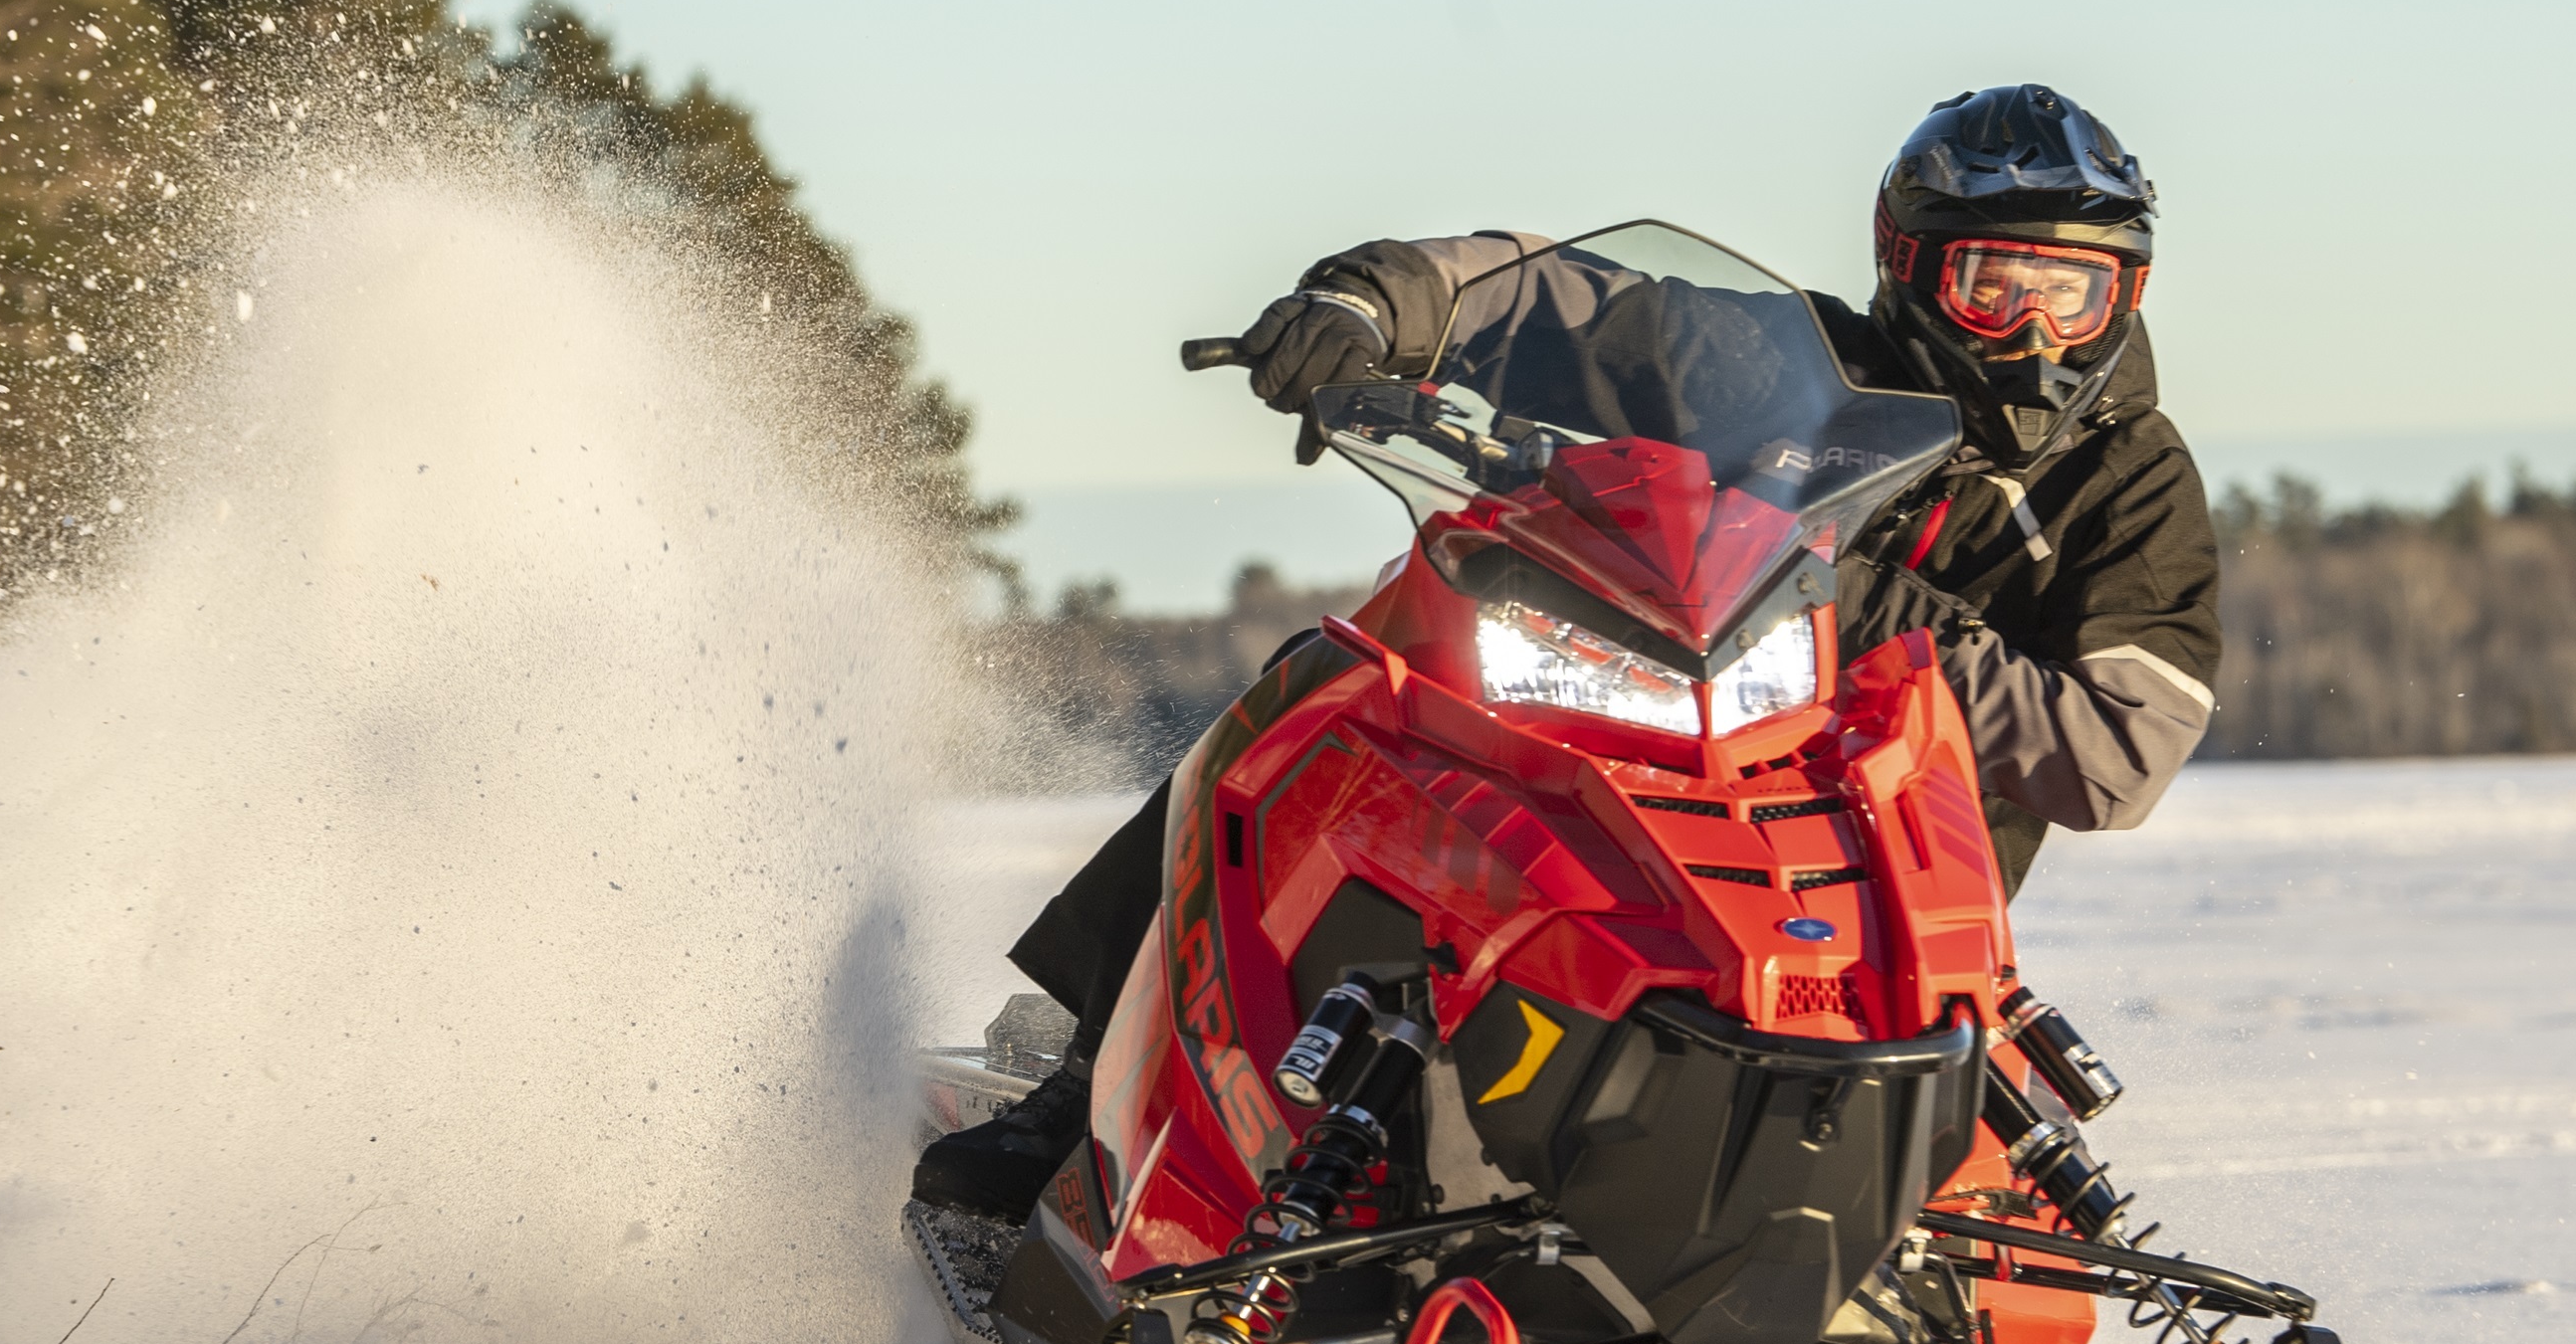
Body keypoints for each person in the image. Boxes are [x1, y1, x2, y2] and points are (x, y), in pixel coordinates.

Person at [914, 83, 2223, 1225]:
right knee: (1342, 680)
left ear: (2129, 293)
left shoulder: (2132, 482)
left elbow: (2118, 745)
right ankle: (1091, 1072)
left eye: (2075, 291)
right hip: (1629, 789)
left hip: (1876, 893)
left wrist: (1841, 602)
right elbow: (1565, 300)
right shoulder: (1793, 366)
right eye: (1996, 285)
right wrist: (1374, 301)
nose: (2038, 333)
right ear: (1913, 265)